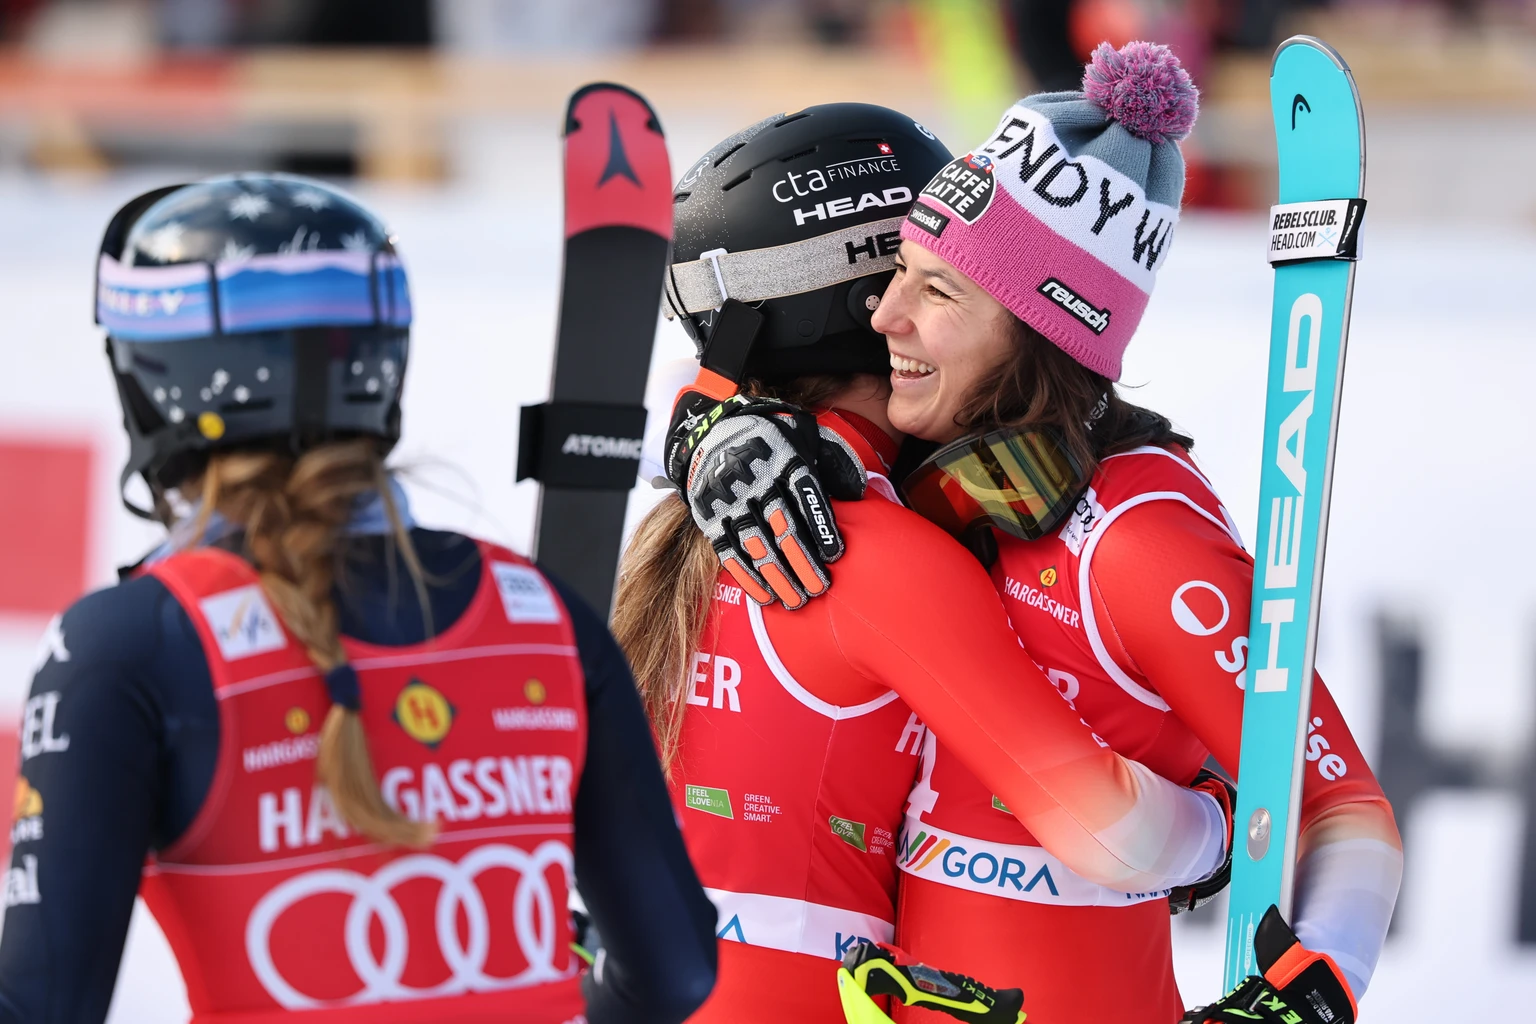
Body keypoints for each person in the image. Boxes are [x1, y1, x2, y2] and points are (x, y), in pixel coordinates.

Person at [664, 43, 1403, 1024]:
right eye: (899, 274)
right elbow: (761, 400)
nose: (886, 314)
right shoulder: (937, 482)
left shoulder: (1136, 538)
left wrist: (1314, 987)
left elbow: (1344, 806)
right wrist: (710, 430)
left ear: (1036, 325)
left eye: (938, 292)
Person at [0, 174, 717, 1024]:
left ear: (155, 383)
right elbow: (674, 972)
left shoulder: (130, 642)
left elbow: (40, 1003)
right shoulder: (540, 611)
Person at [616, 102, 1236, 1024]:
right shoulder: (868, 547)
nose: (913, 303)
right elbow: (1098, 826)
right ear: (866, 299)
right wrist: (1218, 828)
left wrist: (703, 428)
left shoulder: (708, 515)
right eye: (919, 271)